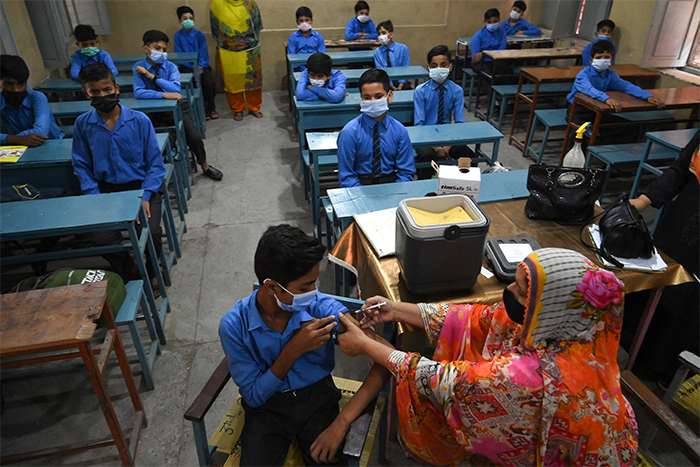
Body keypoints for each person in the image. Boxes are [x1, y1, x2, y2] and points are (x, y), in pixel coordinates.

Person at [337, 248, 639, 466]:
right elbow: (475, 319)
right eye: (516, 281)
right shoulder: (581, 329)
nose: (508, 291)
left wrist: (367, 345)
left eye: (521, 292)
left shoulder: (534, 378)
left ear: (550, 308)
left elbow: (450, 384)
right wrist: (396, 309)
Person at [219, 224, 391, 466]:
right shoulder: (235, 326)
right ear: (271, 287)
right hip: (268, 407)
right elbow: (254, 396)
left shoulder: (320, 307)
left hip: (317, 399)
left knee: (328, 458)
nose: (314, 292)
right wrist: (293, 350)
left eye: (314, 283)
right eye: (304, 287)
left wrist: (341, 422)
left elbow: (385, 356)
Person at [72, 63, 165, 289]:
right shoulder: (83, 124)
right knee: (101, 240)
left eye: (106, 90)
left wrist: (145, 195)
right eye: (94, 92)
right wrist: (95, 195)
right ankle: (128, 268)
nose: (102, 96)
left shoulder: (139, 120)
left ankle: (153, 270)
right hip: (105, 191)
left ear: (116, 88)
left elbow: (155, 163)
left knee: (151, 232)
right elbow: (81, 164)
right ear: (86, 93)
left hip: (141, 188)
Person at [625, 130, 699, 386]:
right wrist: (643, 201)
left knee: (688, 304)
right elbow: (682, 168)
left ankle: (667, 369)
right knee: (658, 284)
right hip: (682, 221)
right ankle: (634, 350)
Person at [133, 30, 223, 181]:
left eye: (164, 49)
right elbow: (139, 92)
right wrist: (164, 95)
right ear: (145, 49)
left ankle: (205, 166)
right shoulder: (138, 67)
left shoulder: (170, 67)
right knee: (164, 142)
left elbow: (175, 89)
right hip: (155, 113)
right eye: (157, 48)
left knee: (194, 138)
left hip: (177, 109)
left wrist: (152, 77)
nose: (161, 52)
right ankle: (167, 172)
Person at [566, 40, 664, 146]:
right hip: (579, 110)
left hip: (598, 110)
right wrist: (607, 99)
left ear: (611, 59)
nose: (603, 60)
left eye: (606, 57)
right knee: (580, 134)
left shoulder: (610, 74)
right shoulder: (583, 75)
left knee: (626, 127)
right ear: (591, 60)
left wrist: (647, 96)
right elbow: (589, 90)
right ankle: (576, 160)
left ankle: (611, 156)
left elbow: (626, 86)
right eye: (599, 57)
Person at [337, 68, 414, 187]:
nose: (373, 102)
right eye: (367, 98)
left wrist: (397, 192)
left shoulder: (400, 131)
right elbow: (347, 176)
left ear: (389, 96)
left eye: (378, 96)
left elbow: (406, 172)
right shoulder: (349, 132)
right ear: (361, 98)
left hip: (391, 183)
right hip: (360, 183)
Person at [413, 45, 473, 179]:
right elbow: (419, 124)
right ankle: (425, 189)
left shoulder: (457, 90)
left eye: (443, 65)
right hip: (425, 135)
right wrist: (436, 148)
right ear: (428, 68)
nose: (438, 69)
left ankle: (464, 188)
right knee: (426, 156)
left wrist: (446, 147)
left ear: (450, 67)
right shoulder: (420, 91)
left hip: (448, 135)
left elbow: (459, 123)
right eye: (434, 66)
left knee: (467, 155)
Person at [210, 0, 263, 121]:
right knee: (232, 80)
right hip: (227, 49)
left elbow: (256, 24)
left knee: (253, 78)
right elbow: (215, 26)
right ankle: (237, 109)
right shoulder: (217, 3)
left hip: (250, 48)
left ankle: (254, 107)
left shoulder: (250, 3)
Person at [0, 55, 64, 147]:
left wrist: (9, 139)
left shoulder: (37, 97)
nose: (16, 89)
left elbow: (41, 131)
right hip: (19, 147)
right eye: (8, 84)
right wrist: (16, 139)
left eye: (20, 84)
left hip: (51, 143)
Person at [173, 5, 219, 120]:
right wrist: (191, 67)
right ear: (180, 21)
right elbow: (179, 55)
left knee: (208, 84)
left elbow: (204, 53)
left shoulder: (199, 35)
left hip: (201, 65)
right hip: (186, 67)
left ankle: (211, 107)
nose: (188, 20)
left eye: (191, 18)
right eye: (185, 18)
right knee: (191, 84)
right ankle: (199, 109)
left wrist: (200, 67)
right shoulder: (178, 36)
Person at [471, 8, 512, 97]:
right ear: (485, 22)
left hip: (495, 60)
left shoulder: (502, 33)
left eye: (495, 21)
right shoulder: (478, 35)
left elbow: (501, 52)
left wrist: (484, 53)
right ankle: (493, 102)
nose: (492, 24)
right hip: (480, 62)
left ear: (499, 20)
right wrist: (487, 54)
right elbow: (475, 57)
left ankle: (509, 100)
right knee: (487, 75)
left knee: (507, 71)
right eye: (489, 22)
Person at [373, 20, 411, 91]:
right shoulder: (377, 52)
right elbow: (381, 72)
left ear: (391, 34)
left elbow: (406, 68)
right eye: (379, 34)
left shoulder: (403, 49)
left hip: (401, 82)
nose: (381, 36)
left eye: (384, 33)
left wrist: (400, 85)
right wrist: (391, 86)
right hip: (386, 83)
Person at [288, 6, 326, 72]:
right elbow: (292, 56)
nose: (304, 23)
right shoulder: (293, 37)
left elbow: (322, 54)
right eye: (301, 21)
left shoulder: (318, 36)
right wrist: (303, 69)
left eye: (307, 20)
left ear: (311, 21)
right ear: (297, 21)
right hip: (299, 68)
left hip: (317, 67)